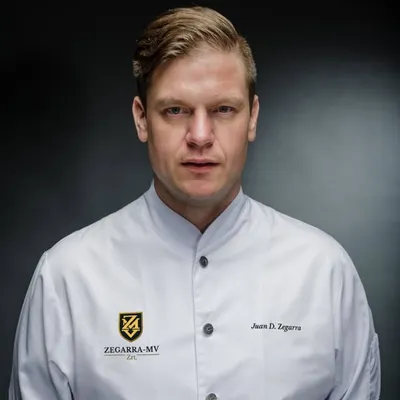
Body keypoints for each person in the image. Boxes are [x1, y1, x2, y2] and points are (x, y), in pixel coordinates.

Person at [9, 6, 381, 400]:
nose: (200, 136)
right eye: (175, 110)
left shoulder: (324, 272)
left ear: (252, 117)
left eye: (223, 109)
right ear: (141, 119)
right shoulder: (67, 278)